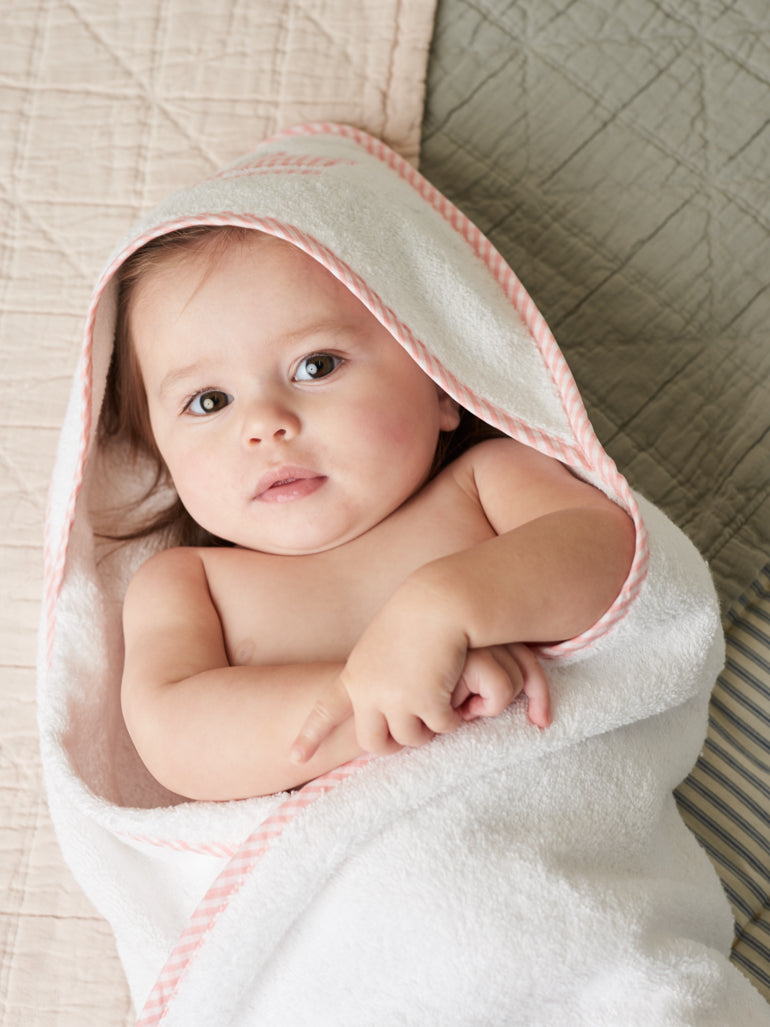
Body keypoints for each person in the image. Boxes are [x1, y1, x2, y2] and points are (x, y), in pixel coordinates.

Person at [103, 224, 635, 801]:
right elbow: (175, 737)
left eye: (317, 366)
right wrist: (374, 695)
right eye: (209, 402)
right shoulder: (188, 584)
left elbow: (610, 548)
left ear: (439, 381)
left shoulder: (488, 482)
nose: (264, 424)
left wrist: (442, 608)